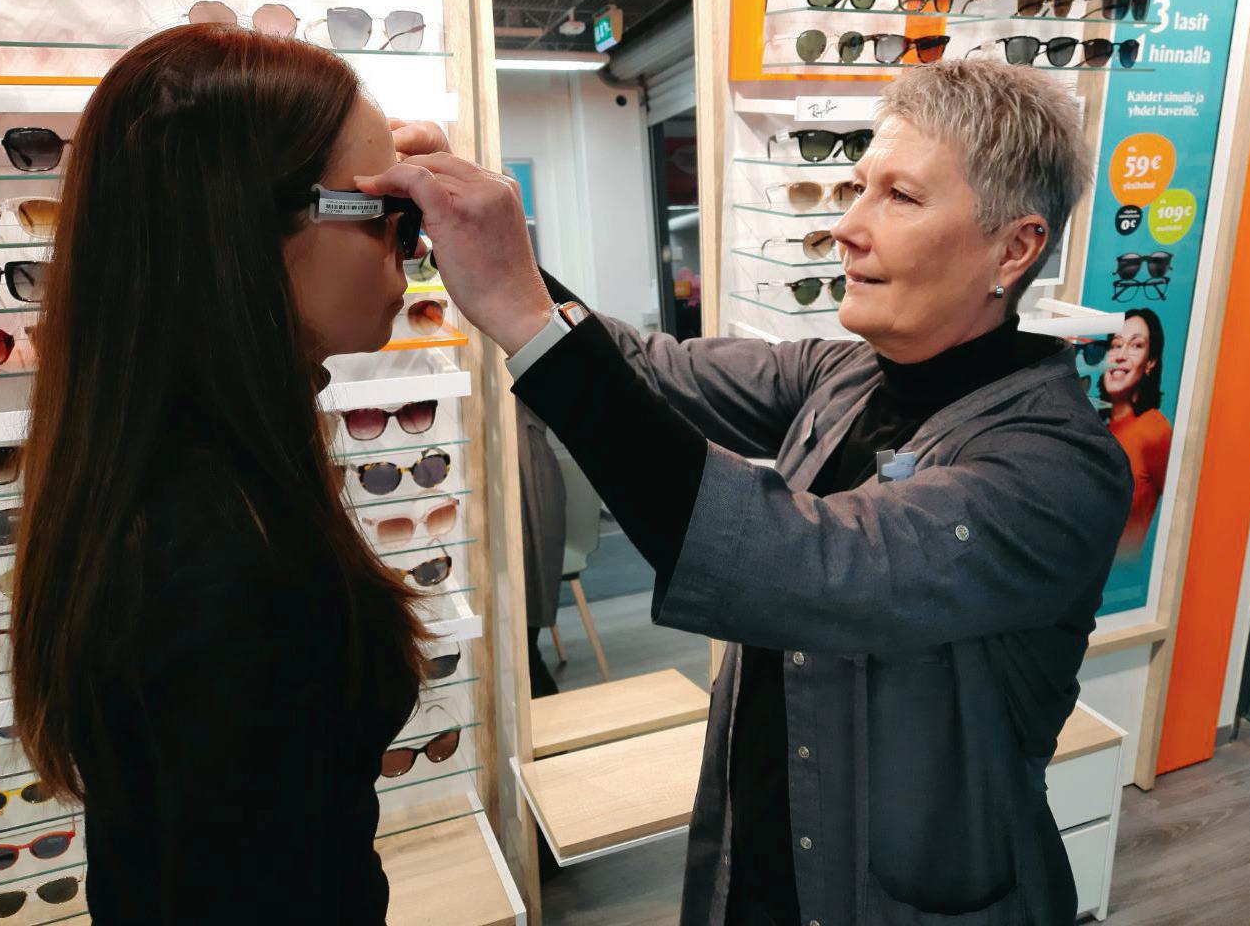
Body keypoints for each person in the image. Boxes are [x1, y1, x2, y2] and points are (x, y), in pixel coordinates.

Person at [361, 59, 1134, 925]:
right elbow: (648, 369)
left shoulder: (1054, 468)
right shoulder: (845, 375)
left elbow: (805, 563)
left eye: (900, 197)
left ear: (1014, 248)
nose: (847, 226)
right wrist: (491, 248)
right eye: (857, 188)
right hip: (767, 858)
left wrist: (518, 306)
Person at [10, 25, 430, 923]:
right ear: (240, 227)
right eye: (385, 213)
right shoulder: (233, 557)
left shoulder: (160, 472)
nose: (412, 243)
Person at [1100, 308, 1172, 558]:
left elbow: (1181, 512)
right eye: (1115, 345)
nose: (1121, 356)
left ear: (1150, 362)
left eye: (1136, 346)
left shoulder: (1154, 430)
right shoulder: (1095, 427)